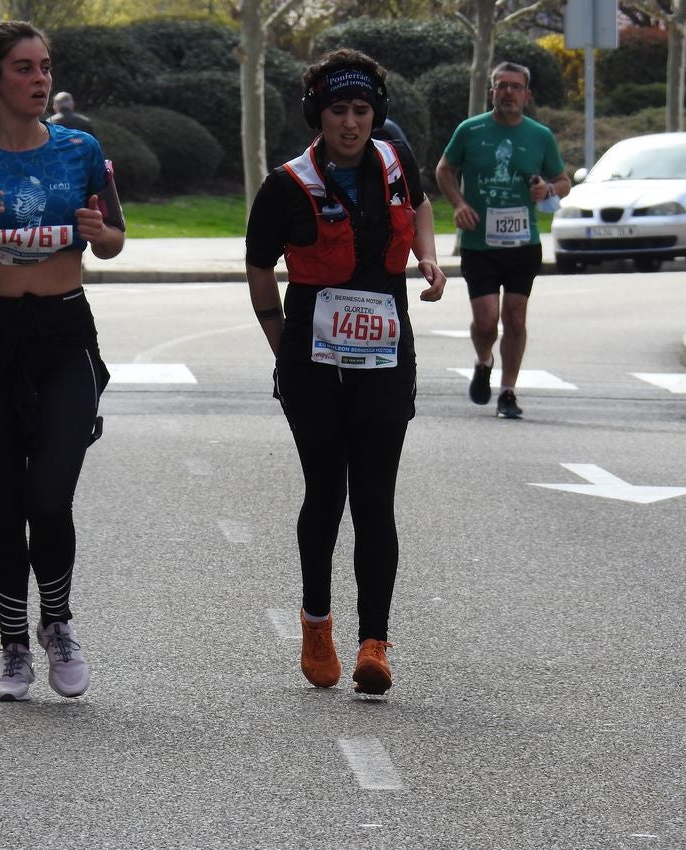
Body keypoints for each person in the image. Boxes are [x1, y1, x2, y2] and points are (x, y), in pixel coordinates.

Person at [0, 21, 125, 702]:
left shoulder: (81, 150)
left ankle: (56, 624)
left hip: (65, 335)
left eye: (44, 68)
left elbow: (115, 240)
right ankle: (13, 644)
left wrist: (101, 234)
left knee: (49, 499)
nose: (39, 80)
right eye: (24, 69)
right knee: (4, 508)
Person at [245, 48, 447, 696]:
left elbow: (417, 206)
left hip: (385, 357)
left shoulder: (394, 161)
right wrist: (281, 339)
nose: (351, 123)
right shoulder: (286, 184)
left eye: (361, 111)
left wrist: (426, 259)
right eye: (338, 111)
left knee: (374, 498)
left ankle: (374, 644)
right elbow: (256, 262)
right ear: (318, 115)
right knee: (325, 493)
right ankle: (315, 622)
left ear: (374, 115)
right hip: (312, 358)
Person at [435, 61, 569, 419]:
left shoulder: (540, 136)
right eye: (501, 86)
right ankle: (483, 361)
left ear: (527, 95)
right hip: (479, 243)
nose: (508, 92)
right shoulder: (470, 130)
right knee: (484, 320)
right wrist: (459, 204)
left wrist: (548, 188)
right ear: (492, 92)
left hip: (523, 244)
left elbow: (564, 181)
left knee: (515, 319)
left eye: (515, 86)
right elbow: (444, 169)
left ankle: (508, 391)